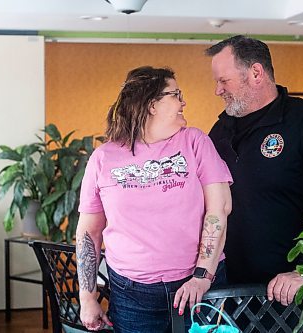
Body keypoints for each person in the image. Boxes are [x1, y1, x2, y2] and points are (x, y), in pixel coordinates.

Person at [76, 66, 233, 333]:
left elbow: (219, 209)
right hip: (132, 295)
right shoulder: (103, 157)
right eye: (176, 94)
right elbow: (89, 232)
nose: (184, 101)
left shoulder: (195, 142)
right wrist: (87, 298)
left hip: (198, 287)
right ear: (151, 104)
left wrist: (202, 276)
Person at [205, 35, 303, 306]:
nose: (218, 90)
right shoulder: (219, 131)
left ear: (256, 73)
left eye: (224, 81)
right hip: (227, 291)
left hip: (291, 292)